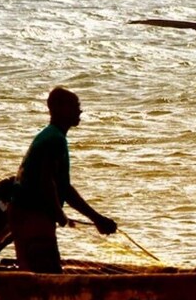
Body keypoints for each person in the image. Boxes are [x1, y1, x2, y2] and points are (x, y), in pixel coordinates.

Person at [9, 86, 118, 273]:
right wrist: (59, 214)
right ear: (60, 109)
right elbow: (47, 182)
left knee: (31, 272)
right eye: (75, 106)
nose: (80, 111)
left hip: (22, 213)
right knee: (47, 274)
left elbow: (63, 187)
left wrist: (96, 218)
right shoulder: (54, 140)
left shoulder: (53, 136)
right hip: (33, 215)